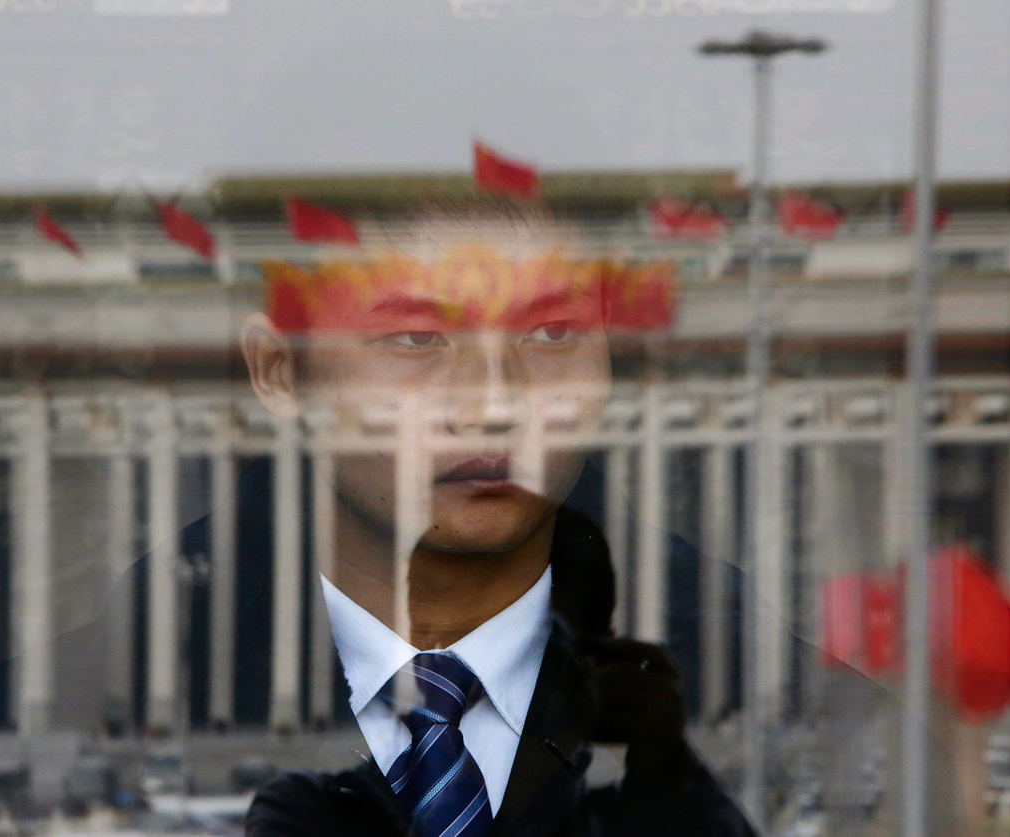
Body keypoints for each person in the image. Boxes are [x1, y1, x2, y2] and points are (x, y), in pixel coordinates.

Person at [240, 199, 754, 836]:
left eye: (553, 334)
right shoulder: (292, 794)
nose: (493, 405)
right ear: (279, 370)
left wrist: (665, 767)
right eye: (417, 338)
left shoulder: (728, 629)